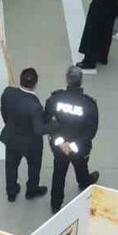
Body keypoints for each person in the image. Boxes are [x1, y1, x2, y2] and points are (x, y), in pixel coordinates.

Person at [44, 66, 100, 213]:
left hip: (58, 146)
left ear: (66, 79)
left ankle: (55, 205)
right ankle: (84, 182)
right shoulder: (89, 104)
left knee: (59, 173)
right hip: (80, 148)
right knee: (81, 166)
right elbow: (91, 131)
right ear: (81, 81)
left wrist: (61, 143)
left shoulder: (54, 99)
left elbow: (47, 124)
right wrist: (73, 144)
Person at [0, 67, 46, 201]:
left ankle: (11, 192)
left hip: (12, 137)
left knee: (11, 165)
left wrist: (9, 124)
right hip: (31, 143)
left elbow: (3, 111)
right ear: (35, 84)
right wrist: (54, 126)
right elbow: (39, 129)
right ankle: (31, 190)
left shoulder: (8, 92)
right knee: (34, 166)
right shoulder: (35, 106)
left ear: (20, 80)